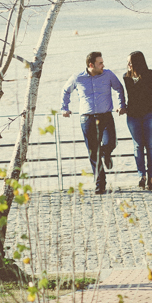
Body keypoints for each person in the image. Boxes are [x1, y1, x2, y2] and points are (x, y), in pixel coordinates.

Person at [60, 51, 126, 195]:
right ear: (91, 65)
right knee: (93, 154)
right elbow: (65, 91)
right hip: (87, 119)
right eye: (100, 63)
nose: (103, 65)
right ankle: (100, 184)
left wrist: (122, 105)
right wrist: (64, 108)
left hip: (106, 116)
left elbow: (119, 88)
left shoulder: (108, 75)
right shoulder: (78, 77)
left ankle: (106, 153)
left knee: (111, 143)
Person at [123, 51, 152, 191]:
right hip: (133, 115)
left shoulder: (151, 75)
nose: (128, 65)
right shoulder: (126, 77)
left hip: (150, 113)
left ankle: (151, 178)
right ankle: (141, 176)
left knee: (150, 145)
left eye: (130, 62)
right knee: (138, 146)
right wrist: (122, 107)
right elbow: (127, 96)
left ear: (137, 63)